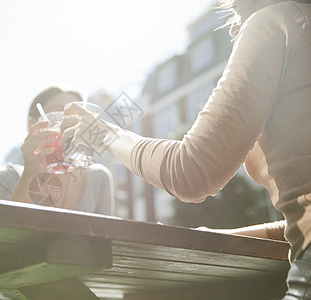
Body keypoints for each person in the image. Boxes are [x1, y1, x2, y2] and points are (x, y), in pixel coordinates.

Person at [60, 0, 311, 298]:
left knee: (146, 294)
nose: (234, 30)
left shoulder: (276, 21)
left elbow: (191, 170)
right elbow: (297, 218)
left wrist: (105, 132)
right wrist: (214, 238)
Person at [0, 86, 114, 215]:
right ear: (32, 125)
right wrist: (29, 176)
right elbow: (2, 231)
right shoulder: (6, 179)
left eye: (76, 116)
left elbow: (106, 234)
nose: (69, 124)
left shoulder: (98, 177)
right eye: (60, 114)